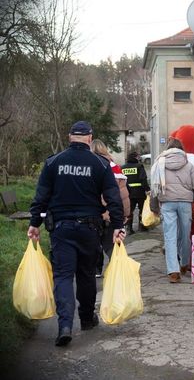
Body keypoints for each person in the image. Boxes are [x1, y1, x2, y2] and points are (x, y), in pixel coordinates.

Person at [27, 121, 125, 347]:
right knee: (86, 274)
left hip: (61, 229)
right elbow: (113, 198)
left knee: (62, 276)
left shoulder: (53, 163)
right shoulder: (100, 164)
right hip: (90, 229)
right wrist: (118, 225)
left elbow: (41, 196)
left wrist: (34, 223)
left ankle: (64, 326)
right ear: (90, 138)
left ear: (70, 137)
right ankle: (87, 318)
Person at [150, 138, 194, 283]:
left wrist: (154, 207)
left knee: (170, 236)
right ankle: (184, 263)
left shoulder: (159, 164)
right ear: (181, 150)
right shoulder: (188, 165)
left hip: (167, 203)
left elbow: (154, 188)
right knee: (185, 234)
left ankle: (173, 272)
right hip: (185, 203)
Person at [90, 139, 130, 276]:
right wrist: (124, 213)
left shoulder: (93, 166)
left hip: (99, 211)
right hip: (115, 211)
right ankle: (119, 269)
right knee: (111, 243)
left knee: (96, 241)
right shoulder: (115, 167)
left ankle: (97, 269)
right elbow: (123, 193)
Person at [121, 151, 150, 234]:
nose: (139, 158)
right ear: (135, 158)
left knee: (129, 210)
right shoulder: (139, 166)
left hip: (128, 193)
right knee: (142, 209)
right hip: (139, 192)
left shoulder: (123, 167)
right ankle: (142, 227)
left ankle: (129, 228)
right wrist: (147, 189)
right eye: (138, 157)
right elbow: (143, 179)